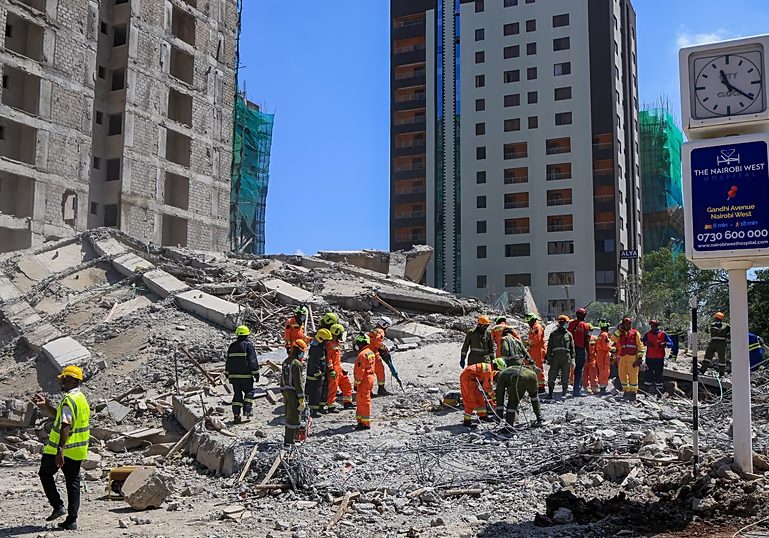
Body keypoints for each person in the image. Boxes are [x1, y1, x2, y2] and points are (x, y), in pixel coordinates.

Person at [34, 365, 91, 531]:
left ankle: (58, 506)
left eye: (64, 379)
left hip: (60, 450)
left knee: (45, 474)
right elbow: (59, 416)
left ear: (73, 380)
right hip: (78, 450)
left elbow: (65, 425)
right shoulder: (80, 398)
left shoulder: (68, 400)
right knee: (73, 482)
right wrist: (45, 406)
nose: (62, 382)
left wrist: (60, 451)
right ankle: (72, 520)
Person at [495, 351, 544, 428]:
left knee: (512, 403)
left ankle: (509, 426)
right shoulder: (509, 370)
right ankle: (540, 418)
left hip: (520, 377)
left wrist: (498, 418)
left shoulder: (501, 376)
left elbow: (500, 398)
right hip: (532, 375)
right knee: (534, 397)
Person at [225, 325, 260, 423]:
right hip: (246, 376)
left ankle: (236, 415)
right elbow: (252, 360)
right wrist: (256, 373)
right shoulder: (248, 345)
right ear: (247, 335)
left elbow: (228, 361)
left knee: (237, 395)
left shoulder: (232, 346)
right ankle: (247, 410)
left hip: (234, 377)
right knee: (249, 392)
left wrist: (227, 373)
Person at [354, 329, 384, 430]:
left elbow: (360, 371)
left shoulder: (362, 355)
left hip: (364, 380)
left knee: (363, 400)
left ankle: (365, 423)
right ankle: (360, 420)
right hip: (369, 378)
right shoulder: (370, 352)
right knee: (361, 399)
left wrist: (356, 383)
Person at [281, 339, 308, 447]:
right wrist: (301, 398)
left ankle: (290, 439)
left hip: (286, 391)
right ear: (298, 351)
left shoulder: (285, 361)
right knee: (294, 417)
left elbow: (282, 378)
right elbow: (298, 382)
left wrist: (282, 392)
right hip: (293, 393)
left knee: (288, 415)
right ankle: (289, 442)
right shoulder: (296, 364)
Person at [612, 317, 645, 401]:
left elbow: (640, 346)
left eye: (628, 324)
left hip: (632, 357)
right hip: (622, 357)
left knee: (633, 375)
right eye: (625, 324)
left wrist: (639, 358)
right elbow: (613, 339)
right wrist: (619, 330)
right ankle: (626, 391)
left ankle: (633, 393)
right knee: (622, 374)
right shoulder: (620, 333)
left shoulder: (635, 333)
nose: (627, 325)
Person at [544, 315, 575, 399]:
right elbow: (549, 347)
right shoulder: (553, 334)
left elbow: (572, 348)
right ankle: (550, 393)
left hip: (566, 357)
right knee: (552, 374)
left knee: (565, 374)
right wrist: (548, 358)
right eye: (566, 323)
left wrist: (573, 359)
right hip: (555, 357)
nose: (567, 324)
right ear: (562, 323)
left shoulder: (569, 335)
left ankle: (564, 393)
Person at [326, 323, 354, 411]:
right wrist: (331, 370)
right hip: (333, 370)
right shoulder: (330, 344)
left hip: (338, 368)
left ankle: (347, 402)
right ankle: (331, 406)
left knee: (346, 384)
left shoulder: (336, 343)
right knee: (333, 388)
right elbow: (329, 358)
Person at [459, 361, 496, 427]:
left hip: (472, 380)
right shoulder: (488, 371)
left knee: (479, 398)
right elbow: (486, 387)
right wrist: (494, 397)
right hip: (467, 379)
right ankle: (467, 421)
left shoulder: (488, 367)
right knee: (470, 400)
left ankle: (482, 416)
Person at [306, 328, 332, 417]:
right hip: (314, 376)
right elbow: (314, 363)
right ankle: (313, 410)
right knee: (315, 393)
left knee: (322, 391)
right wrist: (318, 374)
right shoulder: (315, 349)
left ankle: (321, 407)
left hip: (321, 374)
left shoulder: (320, 347)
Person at [642, 320, 673, 395]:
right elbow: (641, 343)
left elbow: (671, 344)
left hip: (659, 358)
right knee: (648, 375)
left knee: (659, 375)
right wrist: (646, 343)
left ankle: (659, 394)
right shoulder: (647, 334)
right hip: (649, 358)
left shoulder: (663, 334)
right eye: (651, 325)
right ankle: (646, 393)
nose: (652, 327)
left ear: (657, 326)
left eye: (654, 325)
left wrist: (665, 343)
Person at [567, 307, 592, 397]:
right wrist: (588, 353)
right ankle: (577, 390)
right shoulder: (585, 326)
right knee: (579, 370)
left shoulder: (571, 324)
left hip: (570, 350)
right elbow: (586, 340)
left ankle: (564, 389)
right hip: (580, 350)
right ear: (584, 316)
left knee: (568, 369)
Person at [700, 312, 730, 376]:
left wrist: (726, 336)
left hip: (721, 343)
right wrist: (710, 329)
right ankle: (703, 370)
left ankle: (721, 373)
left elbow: (730, 333)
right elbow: (707, 330)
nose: (716, 319)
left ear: (719, 318)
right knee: (707, 356)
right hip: (713, 342)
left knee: (722, 358)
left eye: (717, 317)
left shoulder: (726, 326)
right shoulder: (712, 325)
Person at [525, 313, 547, 393]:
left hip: (538, 350)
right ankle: (534, 385)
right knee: (531, 368)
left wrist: (528, 343)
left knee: (538, 368)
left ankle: (541, 387)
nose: (528, 323)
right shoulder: (533, 328)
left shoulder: (537, 327)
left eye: (529, 321)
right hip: (533, 351)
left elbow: (536, 340)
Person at [373, 316, 393, 396]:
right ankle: (381, 389)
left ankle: (367, 390)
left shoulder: (374, 329)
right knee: (380, 371)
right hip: (373, 354)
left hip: (368, 352)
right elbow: (377, 342)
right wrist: (383, 348)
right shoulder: (380, 331)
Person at [595, 320, 614, 394]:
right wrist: (614, 349)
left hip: (601, 356)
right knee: (605, 372)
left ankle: (602, 387)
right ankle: (603, 389)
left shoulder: (601, 335)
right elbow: (606, 346)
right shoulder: (604, 335)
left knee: (603, 372)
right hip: (603, 356)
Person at [581, 328, 599, 395]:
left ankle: (594, 387)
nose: (590, 332)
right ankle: (586, 387)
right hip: (584, 358)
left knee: (593, 373)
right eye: (589, 330)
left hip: (592, 358)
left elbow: (597, 348)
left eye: (591, 330)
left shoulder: (594, 338)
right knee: (585, 374)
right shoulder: (582, 338)